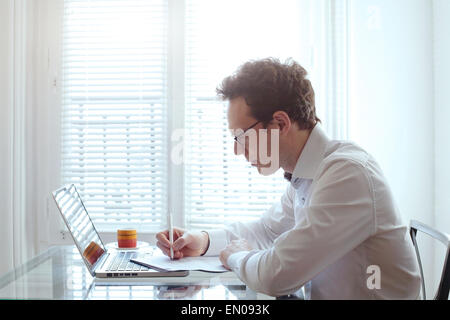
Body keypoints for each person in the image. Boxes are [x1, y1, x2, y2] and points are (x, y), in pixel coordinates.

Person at [156, 58, 421, 299]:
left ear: (280, 124)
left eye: (241, 136)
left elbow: (276, 275)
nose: (237, 150)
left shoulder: (347, 174)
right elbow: (268, 230)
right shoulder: (311, 173)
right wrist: (203, 241)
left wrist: (235, 256)